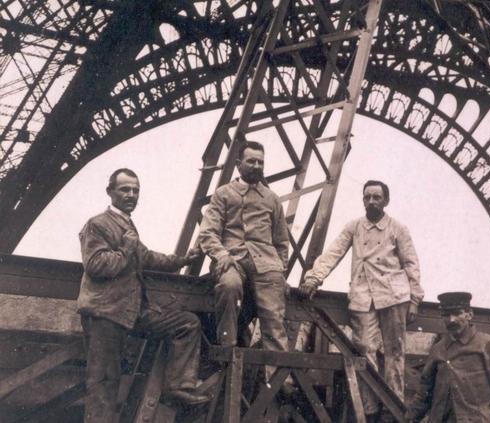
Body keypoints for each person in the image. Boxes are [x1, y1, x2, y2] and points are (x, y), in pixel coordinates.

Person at [77, 168, 209, 423]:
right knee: (103, 387)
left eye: (135, 190)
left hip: (131, 311)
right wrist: (126, 248)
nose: (131, 195)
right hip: (105, 313)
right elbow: (96, 265)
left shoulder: (126, 225)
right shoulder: (97, 224)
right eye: (125, 189)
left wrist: (181, 260)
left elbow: (146, 258)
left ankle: (178, 387)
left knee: (187, 323)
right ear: (110, 192)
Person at [298, 180, 423, 416]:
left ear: (386, 201)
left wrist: (415, 298)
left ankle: (392, 409)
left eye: (377, 197)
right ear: (363, 199)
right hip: (363, 296)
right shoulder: (354, 227)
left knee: (395, 353)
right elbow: (334, 252)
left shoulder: (398, 228)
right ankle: (370, 408)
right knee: (364, 350)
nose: (372, 201)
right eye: (367, 197)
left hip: (394, 296)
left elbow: (411, 264)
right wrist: (314, 278)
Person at [198, 141, 290, 378]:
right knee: (229, 286)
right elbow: (208, 232)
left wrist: (281, 270)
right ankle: (227, 352)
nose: (257, 166)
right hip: (232, 257)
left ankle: (278, 376)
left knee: (273, 315)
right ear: (239, 164)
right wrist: (221, 255)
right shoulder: (223, 194)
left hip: (266, 262)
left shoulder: (272, 199)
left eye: (260, 162)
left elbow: (281, 241)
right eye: (251, 161)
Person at [406, 292, 490, 422]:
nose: (451, 319)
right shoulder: (438, 349)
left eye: (457, 313)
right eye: (446, 315)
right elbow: (424, 393)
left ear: (469, 314)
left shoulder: (488, 345)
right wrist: (409, 417)